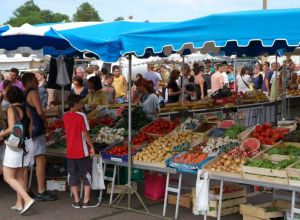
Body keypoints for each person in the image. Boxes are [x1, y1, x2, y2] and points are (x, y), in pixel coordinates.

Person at [22, 72, 57, 201]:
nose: (37, 82)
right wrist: (45, 121)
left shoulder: (23, 93)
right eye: (35, 80)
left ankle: (26, 190)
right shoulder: (33, 93)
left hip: (27, 131)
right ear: (30, 81)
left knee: (27, 163)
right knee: (40, 160)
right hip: (36, 130)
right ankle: (42, 190)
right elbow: (40, 111)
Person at [0, 86, 35, 215]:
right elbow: (31, 126)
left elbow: (11, 128)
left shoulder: (11, 109)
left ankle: (27, 199)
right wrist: (26, 139)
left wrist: (1, 134)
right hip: (27, 143)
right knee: (20, 174)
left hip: (15, 145)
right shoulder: (27, 108)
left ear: (9, 97)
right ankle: (20, 203)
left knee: (8, 176)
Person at [62, 95, 98, 209]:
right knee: (86, 175)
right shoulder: (81, 116)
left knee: (72, 175)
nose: (82, 105)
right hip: (82, 151)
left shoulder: (65, 116)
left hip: (70, 151)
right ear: (76, 104)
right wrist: (92, 146)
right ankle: (86, 201)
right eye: (80, 103)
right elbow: (85, 134)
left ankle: (77, 201)